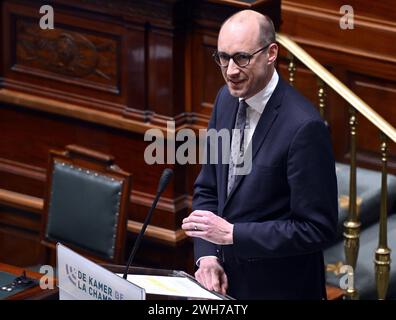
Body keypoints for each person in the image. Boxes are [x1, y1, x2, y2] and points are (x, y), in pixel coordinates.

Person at [181, 10, 338, 299]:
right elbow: (208, 188)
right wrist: (207, 257)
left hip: (279, 289)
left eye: (242, 58)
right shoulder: (225, 100)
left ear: (271, 53)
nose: (230, 70)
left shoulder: (304, 127)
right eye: (223, 58)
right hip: (225, 285)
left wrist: (233, 235)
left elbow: (317, 228)